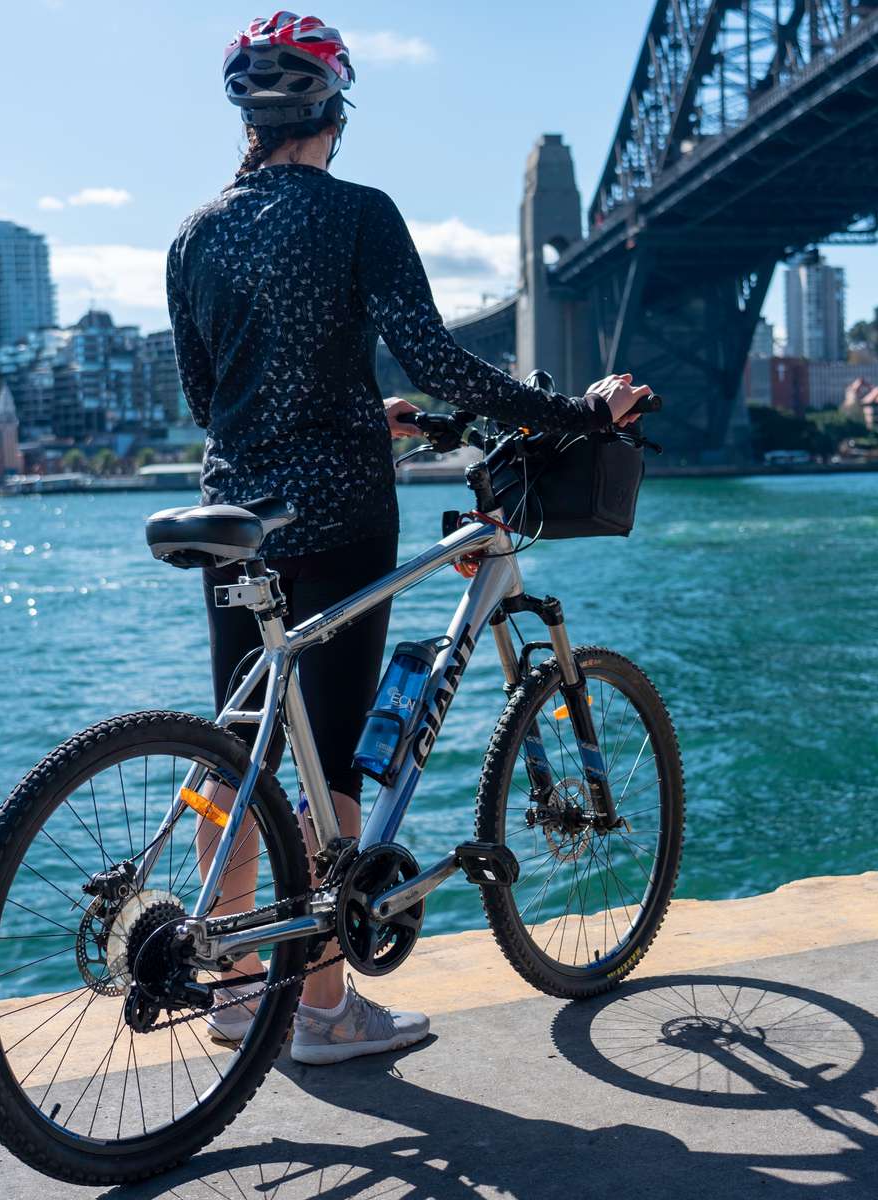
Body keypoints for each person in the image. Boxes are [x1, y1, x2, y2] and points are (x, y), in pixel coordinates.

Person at [167, 11, 651, 1065]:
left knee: (239, 753)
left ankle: (237, 991)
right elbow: (440, 359)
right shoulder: (356, 214)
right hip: (336, 515)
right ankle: (328, 1010)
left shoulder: (196, 232)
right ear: (334, 113)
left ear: (245, 117)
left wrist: (351, 411)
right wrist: (577, 414)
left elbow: (216, 397)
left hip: (236, 519)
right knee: (328, 764)